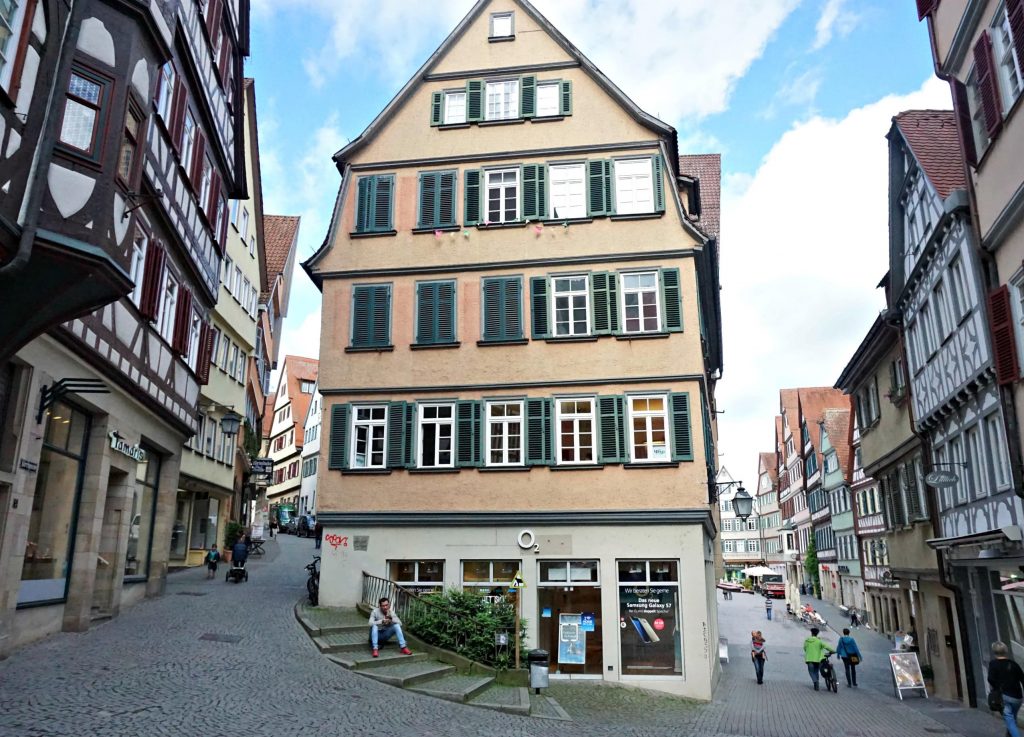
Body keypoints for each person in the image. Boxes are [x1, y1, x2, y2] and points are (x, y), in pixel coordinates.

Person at [989, 641, 1024, 737]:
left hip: (1004, 696)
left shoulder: (993, 664)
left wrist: (996, 688)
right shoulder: (1013, 664)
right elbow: (1022, 678)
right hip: (1017, 697)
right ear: (1006, 651)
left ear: (994, 652)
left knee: (1010, 720)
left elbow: (990, 679)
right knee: (1012, 719)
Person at [803, 627, 835, 691]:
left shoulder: (807, 641)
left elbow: (805, 648)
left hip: (809, 659)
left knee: (811, 672)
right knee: (816, 671)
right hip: (817, 659)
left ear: (811, 633)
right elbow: (827, 647)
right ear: (817, 634)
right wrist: (833, 651)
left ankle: (815, 682)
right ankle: (817, 682)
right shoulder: (819, 641)